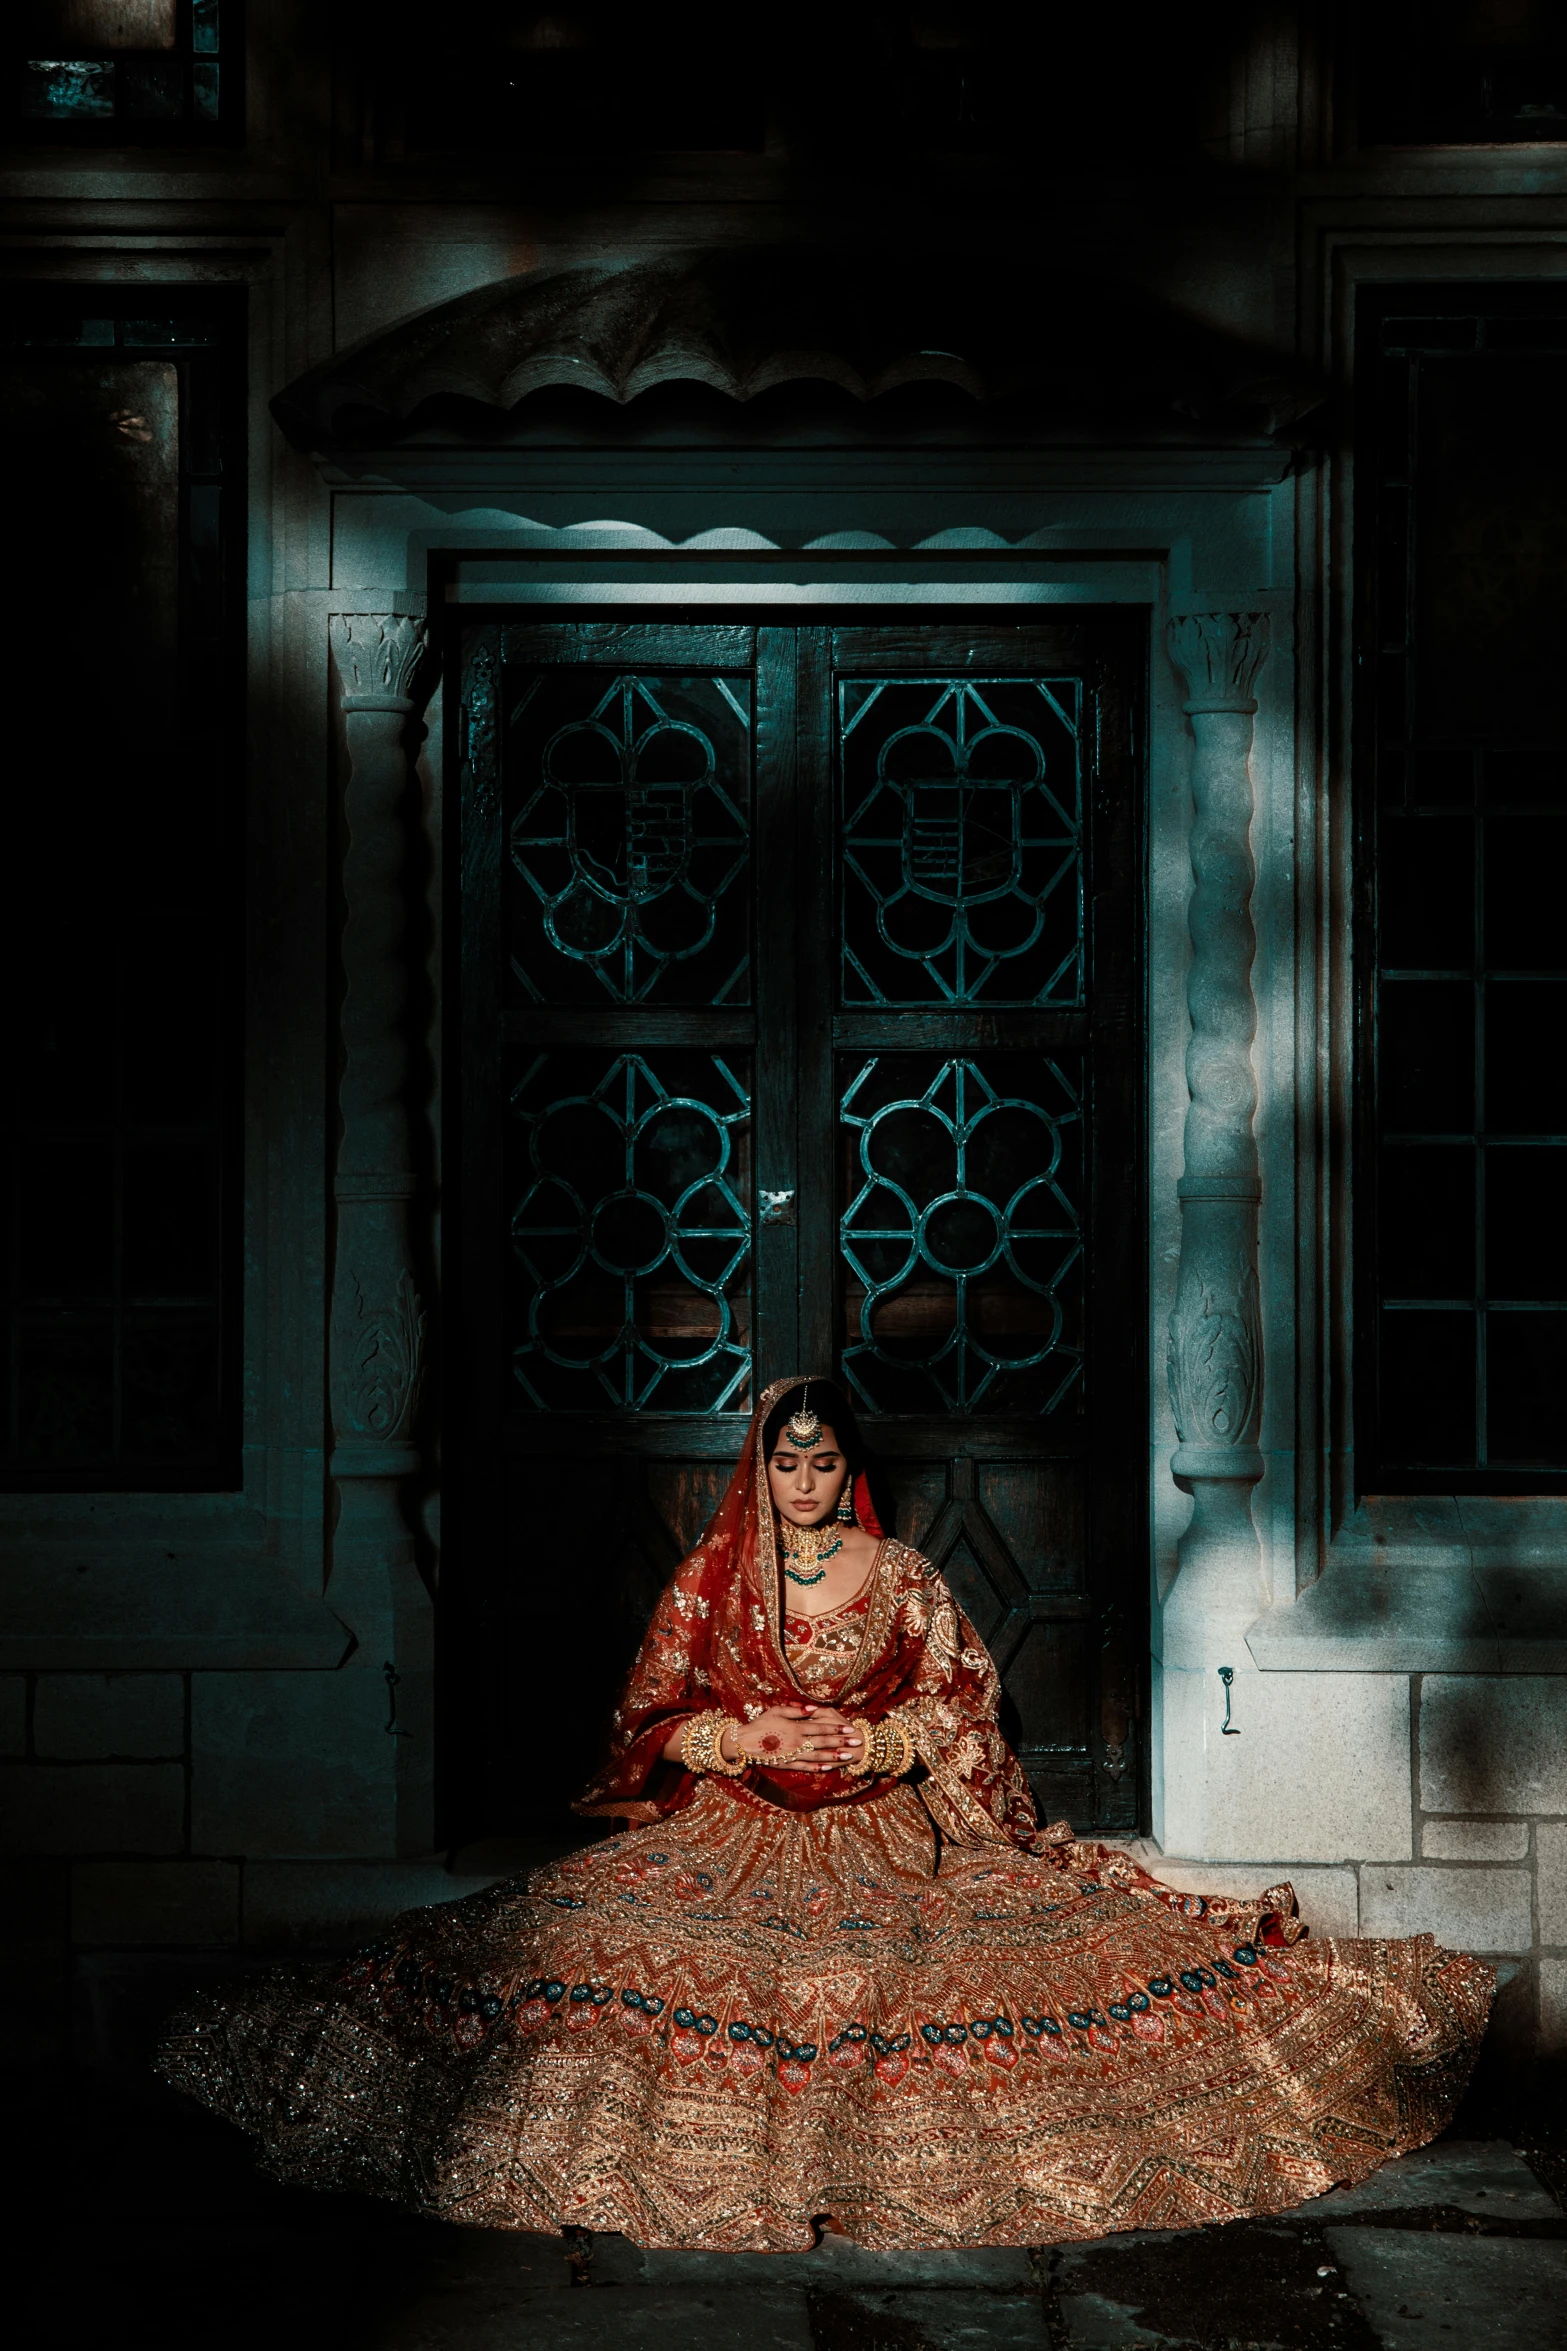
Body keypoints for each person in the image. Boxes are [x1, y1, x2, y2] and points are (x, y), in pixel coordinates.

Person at [158, 1376, 1493, 2251]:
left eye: (822, 1460)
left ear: (847, 1465)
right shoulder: (709, 1576)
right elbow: (642, 1719)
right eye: (782, 1463)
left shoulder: (902, 1573)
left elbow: (965, 1707)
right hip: (732, 1829)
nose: (802, 1482)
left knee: (919, 1970)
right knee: (580, 1942)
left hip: (881, 1826)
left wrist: (879, 1734)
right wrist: (729, 1730)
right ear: (760, 1466)